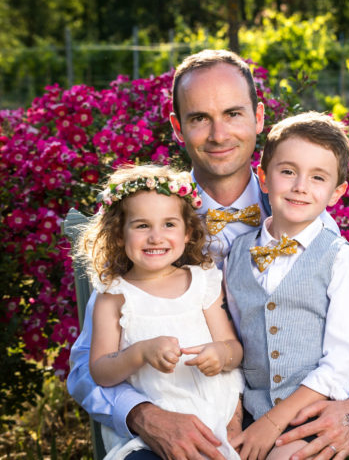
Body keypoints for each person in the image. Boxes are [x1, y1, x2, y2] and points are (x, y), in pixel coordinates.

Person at [68, 49, 349, 460]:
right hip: (184, 410)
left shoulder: (298, 211)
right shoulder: (154, 221)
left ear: (259, 117)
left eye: (233, 114)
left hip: (284, 411)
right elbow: (88, 360)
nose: (219, 135)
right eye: (199, 118)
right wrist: (142, 414)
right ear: (177, 127)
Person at [76, 164, 244, 459]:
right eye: (142, 225)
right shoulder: (113, 297)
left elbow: (233, 348)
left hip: (219, 411)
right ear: (118, 234)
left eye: (169, 224)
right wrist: (139, 353)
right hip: (151, 433)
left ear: (188, 232)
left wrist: (221, 355)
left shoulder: (202, 282)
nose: (156, 237)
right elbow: (100, 371)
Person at [225, 112, 349, 460]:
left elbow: (341, 364)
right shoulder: (238, 253)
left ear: (336, 193)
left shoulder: (339, 258)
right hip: (251, 412)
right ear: (263, 177)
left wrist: (275, 422)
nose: (301, 185)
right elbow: (236, 338)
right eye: (288, 171)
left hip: (310, 417)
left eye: (318, 177)